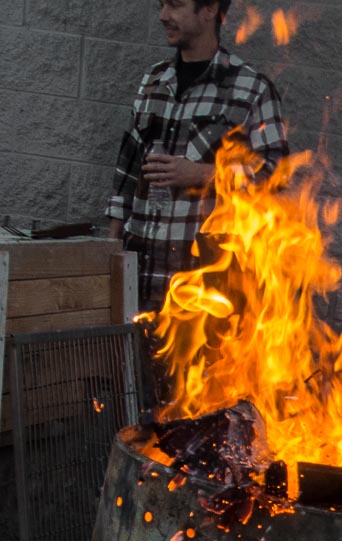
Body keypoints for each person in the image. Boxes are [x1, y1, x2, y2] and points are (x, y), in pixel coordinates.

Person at [106, 0, 288, 313]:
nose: (163, 16)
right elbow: (126, 177)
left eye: (175, 5)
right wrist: (110, 257)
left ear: (209, 9)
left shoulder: (251, 90)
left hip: (203, 292)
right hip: (139, 281)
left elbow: (275, 179)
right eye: (161, 5)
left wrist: (201, 175)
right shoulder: (153, 82)